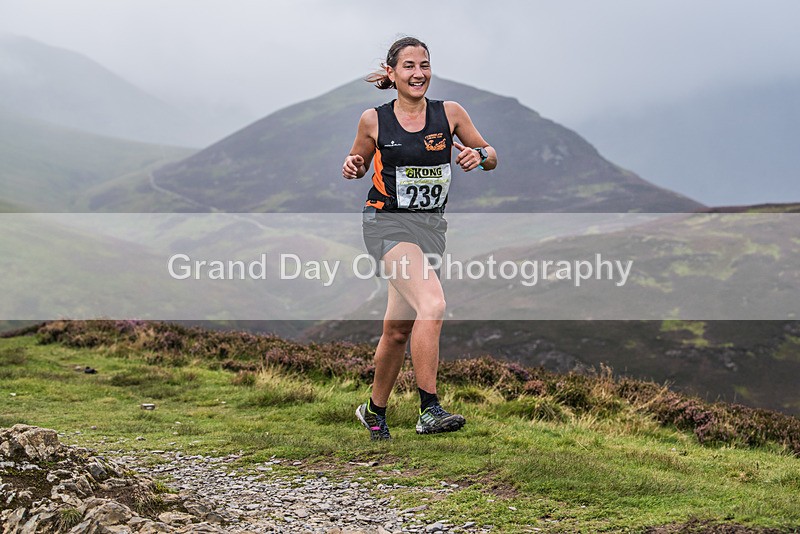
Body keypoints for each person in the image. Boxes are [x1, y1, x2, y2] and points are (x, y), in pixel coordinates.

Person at [342, 36, 497, 440]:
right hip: (386, 223)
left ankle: (373, 411)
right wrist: (353, 164)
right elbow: (358, 163)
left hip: (430, 229)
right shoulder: (373, 120)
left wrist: (476, 156)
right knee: (433, 302)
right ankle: (429, 408)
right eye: (409, 66)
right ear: (392, 74)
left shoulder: (450, 114)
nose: (419, 73)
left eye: (424, 65)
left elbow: (491, 155)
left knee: (397, 330)